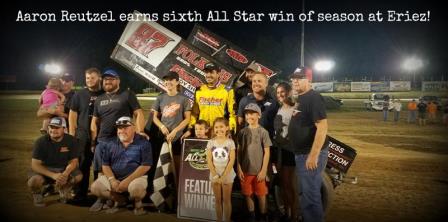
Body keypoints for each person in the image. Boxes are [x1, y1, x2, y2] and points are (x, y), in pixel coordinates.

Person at [90, 69, 148, 210]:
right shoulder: (99, 99)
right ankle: (103, 198)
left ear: (118, 80)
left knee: (122, 168)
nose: (108, 81)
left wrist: (140, 131)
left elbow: (138, 113)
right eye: (105, 79)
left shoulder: (127, 94)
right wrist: (93, 141)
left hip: (122, 140)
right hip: (103, 141)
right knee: (101, 171)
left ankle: (123, 194)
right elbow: (94, 121)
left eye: (111, 79)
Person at [288, 69, 329, 222]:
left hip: (309, 154)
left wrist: (313, 155)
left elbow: (322, 127)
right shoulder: (301, 97)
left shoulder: (314, 98)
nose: (295, 81)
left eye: (299, 78)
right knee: (304, 193)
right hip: (301, 153)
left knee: (310, 197)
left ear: (309, 80)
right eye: (293, 78)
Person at [89, 116, 152, 215]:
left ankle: (137, 203)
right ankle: (120, 200)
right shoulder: (110, 143)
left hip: (135, 178)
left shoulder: (143, 143)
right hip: (115, 178)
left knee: (137, 190)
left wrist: (127, 181)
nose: (121, 131)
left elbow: (146, 165)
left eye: (125, 127)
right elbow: (105, 165)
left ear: (134, 128)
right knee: (95, 188)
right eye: (119, 128)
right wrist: (112, 180)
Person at [27, 117, 82, 207]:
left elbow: (74, 161)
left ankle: (63, 189)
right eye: (51, 127)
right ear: (48, 128)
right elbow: (35, 165)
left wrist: (65, 174)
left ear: (64, 129)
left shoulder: (71, 140)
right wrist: (53, 175)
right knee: (34, 181)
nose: (53, 130)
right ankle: (37, 194)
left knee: (78, 176)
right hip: (45, 169)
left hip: (62, 169)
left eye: (57, 127)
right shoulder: (40, 142)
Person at [68, 67, 104, 203]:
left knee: (98, 166)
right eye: (87, 78)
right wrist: (72, 133)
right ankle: (80, 194)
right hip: (82, 136)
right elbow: (72, 114)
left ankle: (98, 195)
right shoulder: (80, 94)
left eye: (92, 78)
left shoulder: (105, 93)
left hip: (100, 136)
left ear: (99, 78)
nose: (89, 80)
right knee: (83, 164)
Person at [151, 71, 191, 180]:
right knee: (162, 164)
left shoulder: (184, 99)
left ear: (177, 82)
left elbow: (188, 119)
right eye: (166, 80)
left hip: (177, 137)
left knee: (176, 164)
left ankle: (177, 187)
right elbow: (154, 117)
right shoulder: (160, 97)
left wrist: (175, 131)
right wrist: (162, 127)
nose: (168, 82)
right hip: (163, 136)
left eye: (171, 80)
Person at [182, 62, 237, 138]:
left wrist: (230, 131)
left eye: (211, 72)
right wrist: (190, 129)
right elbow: (194, 114)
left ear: (218, 74)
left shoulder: (227, 91)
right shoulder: (199, 90)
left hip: (219, 133)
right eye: (206, 72)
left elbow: (232, 114)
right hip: (203, 133)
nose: (208, 75)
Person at [237, 103, 272, 222]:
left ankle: (263, 216)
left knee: (261, 195)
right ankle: (251, 216)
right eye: (247, 114)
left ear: (259, 115)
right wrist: (239, 168)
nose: (249, 116)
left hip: (259, 172)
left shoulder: (263, 132)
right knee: (248, 194)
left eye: (252, 113)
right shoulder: (242, 132)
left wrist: (263, 171)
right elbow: (239, 152)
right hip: (245, 171)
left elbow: (267, 152)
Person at [273, 82, 298, 221]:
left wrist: (287, 140)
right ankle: (286, 213)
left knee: (289, 183)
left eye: (282, 92)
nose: (279, 95)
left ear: (288, 92)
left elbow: (298, 130)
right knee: (282, 183)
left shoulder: (296, 108)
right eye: (277, 92)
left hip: (290, 151)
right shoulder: (281, 107)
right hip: (279, 150)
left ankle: (293, 215)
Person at [206, 117, 236, 222]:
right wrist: (215, 175)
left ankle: (226, 219)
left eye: (221, 127)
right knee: (218, 200)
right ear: (213, 129)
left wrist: (223, 176)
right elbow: (209, 160)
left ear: (227, 127)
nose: (219, 129)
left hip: (227, 175)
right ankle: (219, 219)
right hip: (215, 175)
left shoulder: (230, 142)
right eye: (216, 127)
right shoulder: (210, 142)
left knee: (226, 200)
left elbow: (232, 160)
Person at [237, 72, 279, 138]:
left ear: (266, 83)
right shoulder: (244, 100)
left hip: (267, 143)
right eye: (254, 81)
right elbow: (240, 123)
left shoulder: (274, 102)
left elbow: (277, 124)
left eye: (259, 81)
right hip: (249, 142)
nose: (256, 83)